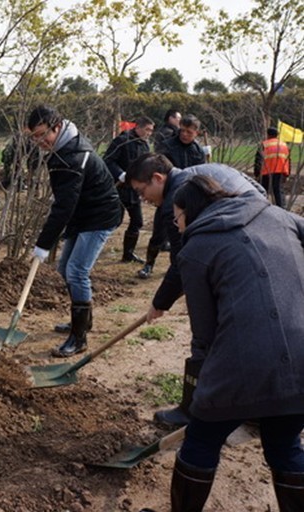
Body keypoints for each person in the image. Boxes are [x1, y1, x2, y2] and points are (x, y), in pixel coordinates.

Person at [165, 174, 304, 512]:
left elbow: (205, 333)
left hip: (243, 360)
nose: (177, 226)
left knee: (202, 439)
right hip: (302, 355)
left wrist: (204, 394)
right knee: (284, 443)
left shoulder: (196, 250)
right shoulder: (279, 216)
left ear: (191, 212)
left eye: (177, 218)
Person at [126, 153, 265, 427]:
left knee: (205, 331)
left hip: (231, 258)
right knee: (253, 334)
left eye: (142, 191)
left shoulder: (177, 201)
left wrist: (160, 302)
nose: (143, 199)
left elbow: (185, 264)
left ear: (157, 178)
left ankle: (193, 410)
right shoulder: (205, 169)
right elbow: (258, 192)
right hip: (260, 246)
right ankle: (260, 412)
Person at [27, 105, 122, 357]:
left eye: (42, 134)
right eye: (33, 136)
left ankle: (79, 337)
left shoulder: (73, 155)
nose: (38, 141)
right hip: (83, 214)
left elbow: (63, 207)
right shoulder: (63, 148)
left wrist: (43, 244)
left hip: (100, 215)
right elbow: (66, 202)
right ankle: (82, 320)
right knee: (64, 268)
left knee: (77, 271)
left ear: (57, 127)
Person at [137, 114, 206, 279]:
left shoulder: (197, 151)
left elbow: (201, 172)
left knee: (186, 234)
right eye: (182, 130)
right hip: (167, 195)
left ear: (196, 133)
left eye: (189, 132)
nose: (184, 134)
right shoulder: (167, 146)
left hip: (189, 197)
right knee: (159, 233)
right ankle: (149, 264)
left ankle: (182, 266)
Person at [103, 116, 155, 264]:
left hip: (134, 190)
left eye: (151, 131)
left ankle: (128, 254)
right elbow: (108, 160)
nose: (149, 133)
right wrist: (120, 174)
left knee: (137, 221)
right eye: (147, 130)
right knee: (115, 221)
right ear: (138, 127)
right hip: (118, 188)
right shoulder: (122, 140)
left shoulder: (144, 145)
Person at [254, 126, 290, 208]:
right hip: (281, 171)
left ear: (268, 135)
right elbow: (288, 160)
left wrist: (257, 174)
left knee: (263, 190)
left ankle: (262, 208)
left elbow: (258, 161)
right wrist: (287, 174)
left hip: (266, 171)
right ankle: (282, 209)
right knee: (278, 191)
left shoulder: (264, 144)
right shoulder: (284, 145)